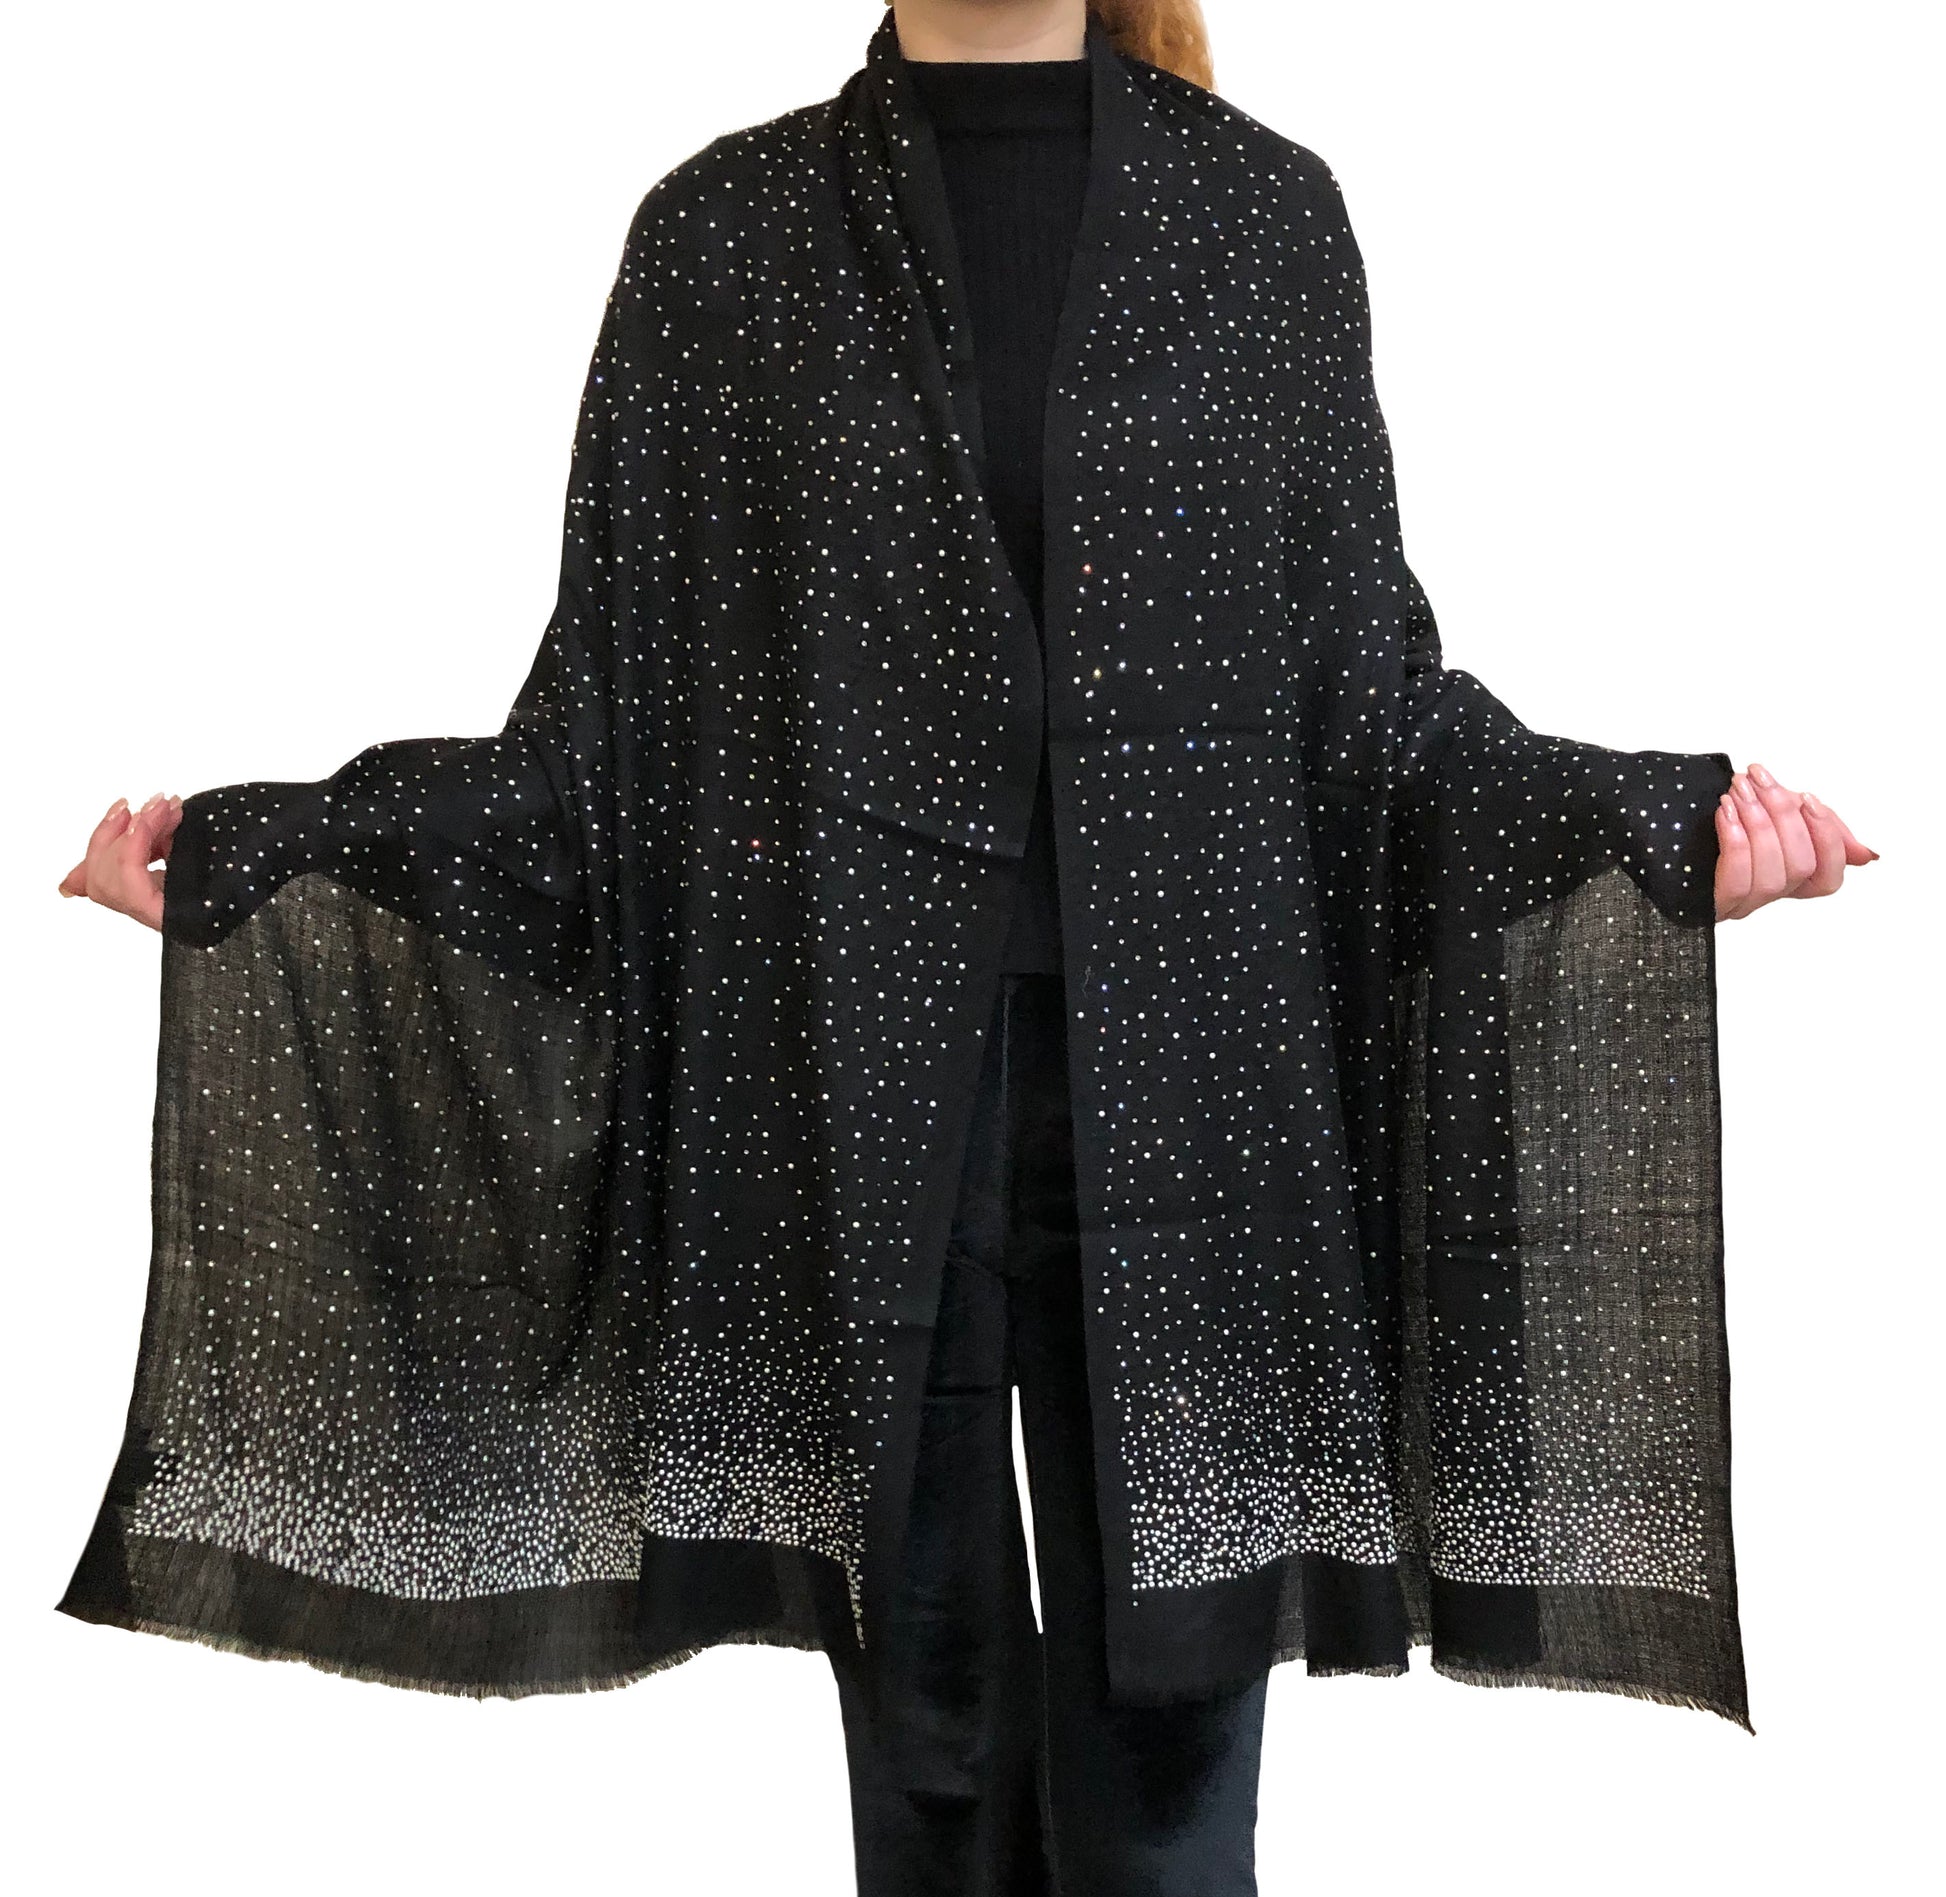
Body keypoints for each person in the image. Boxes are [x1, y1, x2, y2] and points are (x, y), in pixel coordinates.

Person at [54, 3, 1875, 1893]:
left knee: (1171, 1797)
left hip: (1198, 1114)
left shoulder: (1260, 224)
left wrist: (1662, 833)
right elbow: (594, 757)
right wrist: (259, 858)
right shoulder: (723, 241)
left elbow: (1373, 727)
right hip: (847, 1112)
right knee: (925, 1762)